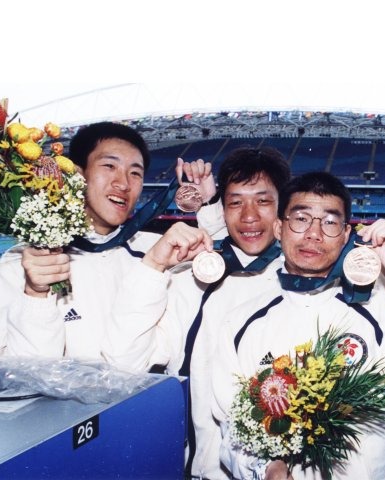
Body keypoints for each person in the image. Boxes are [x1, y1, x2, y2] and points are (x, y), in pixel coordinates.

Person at [211, 171, 385, 480]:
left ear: (345, 235)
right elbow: (232, 424)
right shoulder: (241, 322)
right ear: (278, 227)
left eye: (329, 222)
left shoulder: (382, 310)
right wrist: (264, 468)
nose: (314, 234)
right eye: (301, 219)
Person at [102, 146, 291, 479]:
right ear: (222, 209)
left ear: (282, 210)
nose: (249, 216)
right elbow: (124, 362)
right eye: (235, 202)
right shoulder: (188, 282)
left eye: (263, 201)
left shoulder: (308, 289)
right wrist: (154, 265)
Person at [0, 121, 212, 360]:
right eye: (109, 166)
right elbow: (22, 371)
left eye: (135, 173)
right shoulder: (23, 262)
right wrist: (35, 292)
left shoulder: (162, 254)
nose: (124, 183)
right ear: (76, 173)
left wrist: (210, 204)